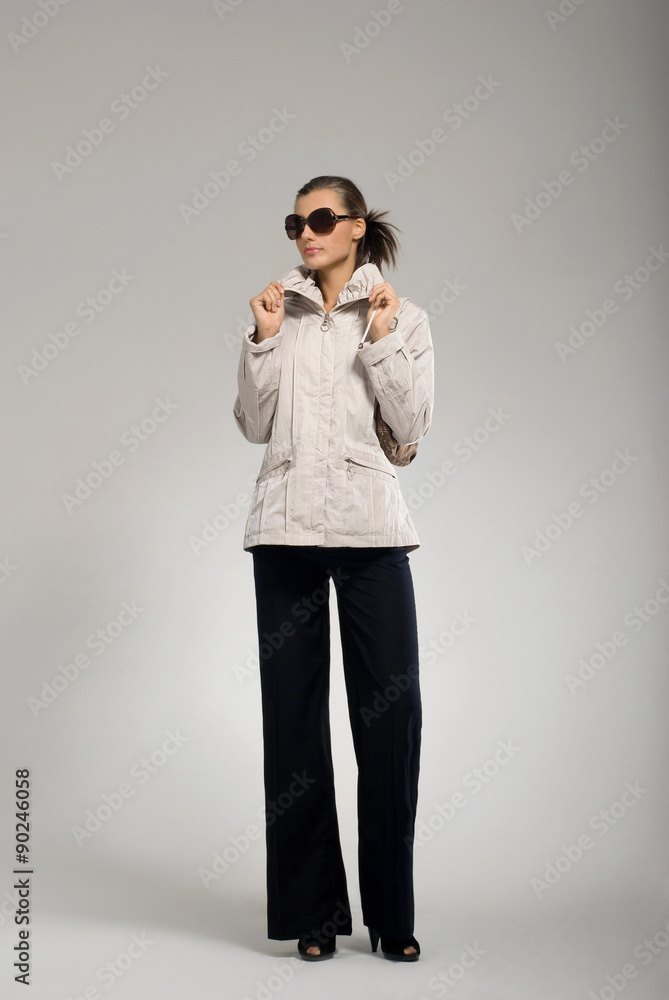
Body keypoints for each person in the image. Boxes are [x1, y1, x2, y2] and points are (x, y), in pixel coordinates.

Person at [232, 175, 434, 962]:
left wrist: (380, 340)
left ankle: (391, 912)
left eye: (320, 219)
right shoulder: (275, 314)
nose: (306, 233)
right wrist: (260, 342)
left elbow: (410, 428)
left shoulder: (402, 316)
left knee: (391, 721)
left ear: (355, 226)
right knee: (292, 725)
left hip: (369, 526)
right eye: (296, 223)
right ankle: (313, 913)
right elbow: (253, 426)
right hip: (283, 528)